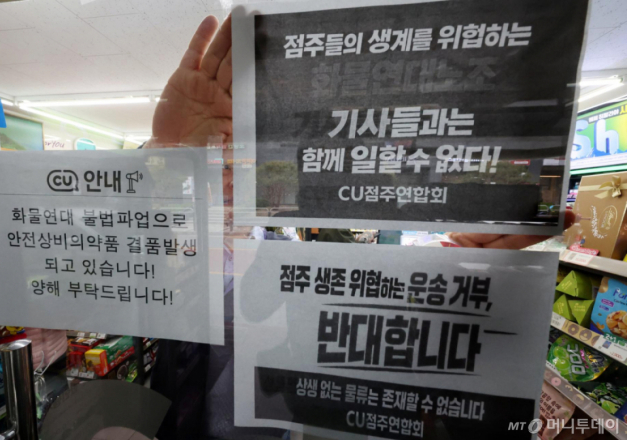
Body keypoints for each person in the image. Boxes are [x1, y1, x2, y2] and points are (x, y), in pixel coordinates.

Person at [147, 15, 575, 440]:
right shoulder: (200, 240)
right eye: (223, 163)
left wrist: (436, 287)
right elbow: (147, 271)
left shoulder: (281, 245)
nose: (231, 180)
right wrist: (166, 160)